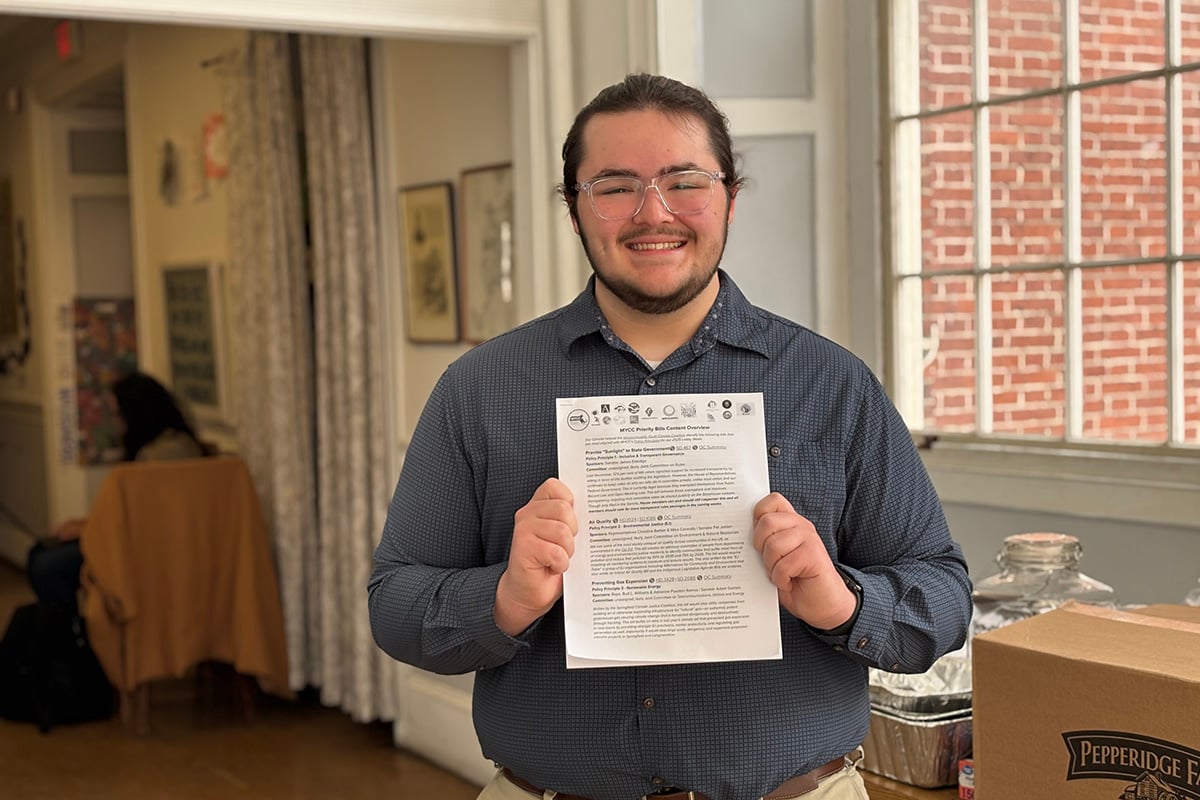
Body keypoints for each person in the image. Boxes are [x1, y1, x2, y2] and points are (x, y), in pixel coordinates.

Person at [369, 73, 972, 800]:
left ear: (730, 197)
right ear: (574, 210)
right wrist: (506, 598)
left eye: (684, 181)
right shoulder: (480, 391)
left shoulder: (832, 384)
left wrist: (840, 603)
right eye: (615, 186)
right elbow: (396, 606)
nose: (652, 214)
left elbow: (943, 599)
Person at [27, 371, 209, 616]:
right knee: (41, 552)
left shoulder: (167, 454)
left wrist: (88, 530)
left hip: (147, 549)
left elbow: (145, 519)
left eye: (118, 414)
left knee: (46, 566)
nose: (115, 422)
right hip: (133, 539)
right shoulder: (161, 446)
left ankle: (72, 638)